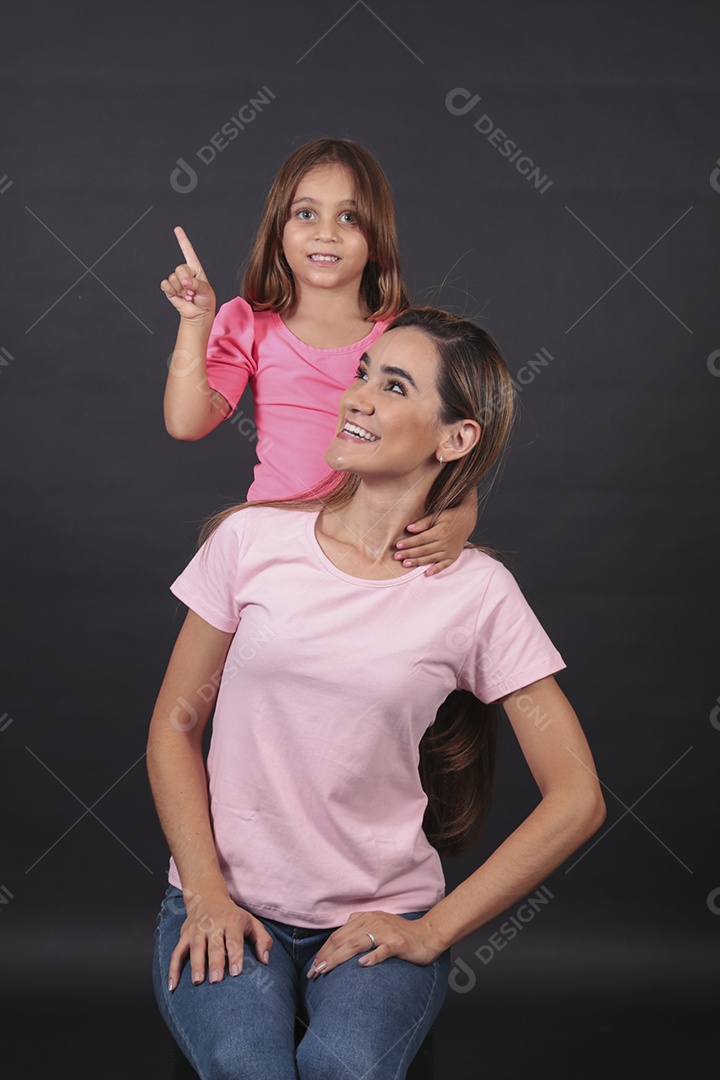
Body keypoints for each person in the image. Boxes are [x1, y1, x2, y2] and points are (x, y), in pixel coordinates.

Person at [147, 306, 606, 1080]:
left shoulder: (479, 593)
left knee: (344, 1070)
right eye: (363, 372)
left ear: (455, 438)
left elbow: (577, 798)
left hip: (381, 917)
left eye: (392, 385)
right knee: (248, 1067)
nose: (356, 394)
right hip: (227, 899)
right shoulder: (251, 541)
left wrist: (431, 932)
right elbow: (173, 727)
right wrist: (205, 894)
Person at [160, 137, 476, 574]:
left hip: (375, 548)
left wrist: (463, 513)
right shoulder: (250, 324)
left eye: (348, 217)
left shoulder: (404, 339)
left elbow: (446, 439)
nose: (326, 233)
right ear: (279, 232)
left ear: (376, 239)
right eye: (305, 214)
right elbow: (186, 422)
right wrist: (197, 323)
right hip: (274, 544)